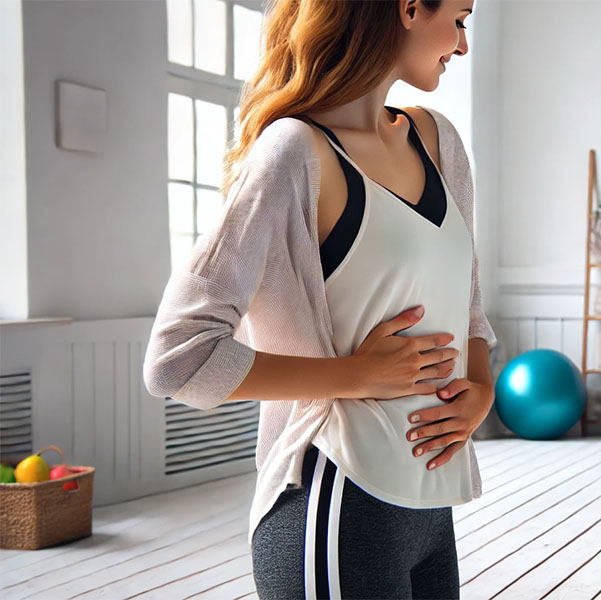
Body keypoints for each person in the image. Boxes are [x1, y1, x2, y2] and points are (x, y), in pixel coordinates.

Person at [142, 1, 492, 598]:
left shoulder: (440, 143)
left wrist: (480, 390)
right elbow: (177, 359)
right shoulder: (292, 153)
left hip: (431, 508)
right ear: (408, 8)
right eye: (458, 19)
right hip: (334, 500)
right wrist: (353, 375)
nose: (462, 45)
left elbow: (469, 304)